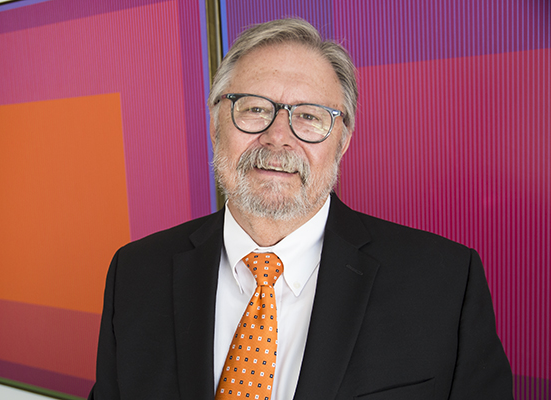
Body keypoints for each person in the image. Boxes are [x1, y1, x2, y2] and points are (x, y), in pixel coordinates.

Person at [89, 18, 513, 400]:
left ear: (342, 141)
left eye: (309, 117)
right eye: (255, 109)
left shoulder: (444, 284)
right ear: (216, 122)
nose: (278, 138)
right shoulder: (135, 273)